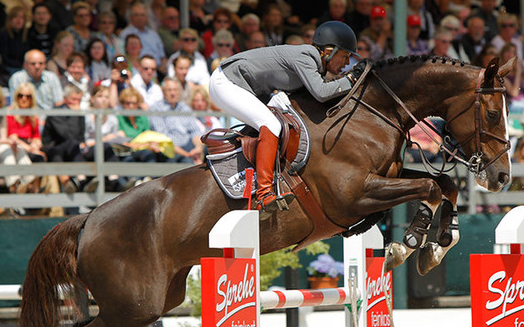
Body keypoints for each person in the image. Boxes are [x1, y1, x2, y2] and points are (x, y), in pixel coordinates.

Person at [209, 20, 364, 214]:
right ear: (329, 51)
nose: (348, 63)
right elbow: (322, 93)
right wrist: (351, 79)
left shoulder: (312, 62)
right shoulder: (306, 57)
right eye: (345, 56)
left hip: (244, 86)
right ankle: (264, 193)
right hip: (226, 82)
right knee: (271, 124)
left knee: (276, 115)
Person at [150, 77, 205, 164]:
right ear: (163, 91)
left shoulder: (185, 108)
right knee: (187, 164)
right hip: (171, 152)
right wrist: (187, 155)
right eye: (169, 90)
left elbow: (195, 132)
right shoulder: (156, 109)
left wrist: (198, 149)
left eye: (175, 90)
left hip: (189, 148)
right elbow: (164, 139)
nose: (173, 93)